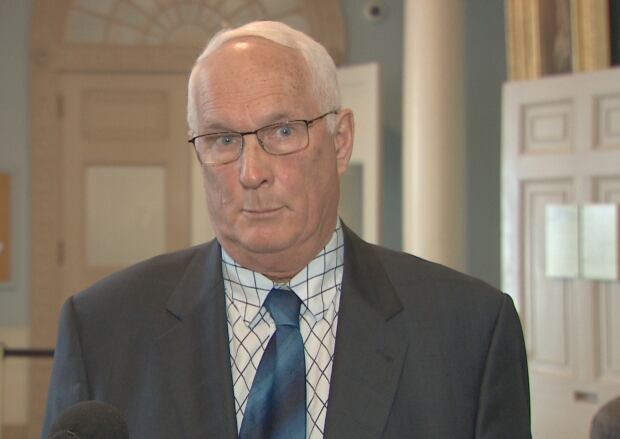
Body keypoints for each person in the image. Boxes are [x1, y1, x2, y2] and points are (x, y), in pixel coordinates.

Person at [42, 21, 531, 438]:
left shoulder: (469, 331)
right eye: (223, 139)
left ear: (341, 142)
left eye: (282, 132)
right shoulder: (102, 328)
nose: (251, 172)